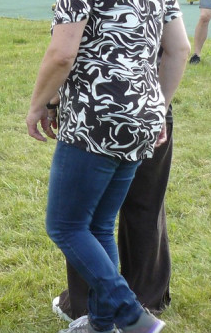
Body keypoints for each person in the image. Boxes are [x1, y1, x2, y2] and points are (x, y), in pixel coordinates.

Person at [26, 0, 190, 333]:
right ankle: (99, 329)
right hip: (144, 118)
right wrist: (156, 107)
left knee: (65, 224)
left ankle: (130, 318)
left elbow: (61, 52)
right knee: (97, 223)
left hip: (95, 117)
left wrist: (37, 105)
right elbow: (178, 49)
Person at [53, 109, 174, 321]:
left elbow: (62, 72)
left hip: (95, 106)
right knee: (145, 204)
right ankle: (145, 300)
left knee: (84, 218)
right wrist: (160, 106)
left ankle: (93, 308)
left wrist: (48, 102)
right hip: (148, 105)